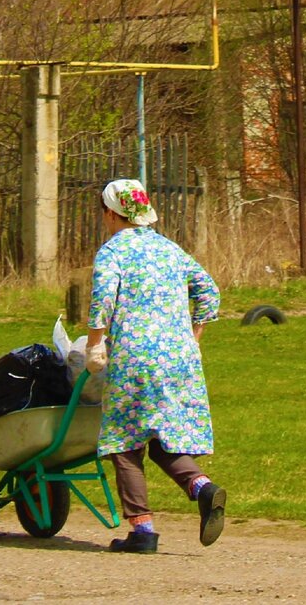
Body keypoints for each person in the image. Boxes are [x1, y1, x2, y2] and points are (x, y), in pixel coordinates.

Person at [84, 178, 225, 554]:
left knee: (125, 443)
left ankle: (142, 531)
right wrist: (193, 337)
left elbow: (102, 299)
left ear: (111, 213)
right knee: (164, 437)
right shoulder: (169, 249)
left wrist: (96, 345)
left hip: (135, 358)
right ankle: (203, 488)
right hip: (178, 359)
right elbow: (209, 291)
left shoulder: (113, 251)